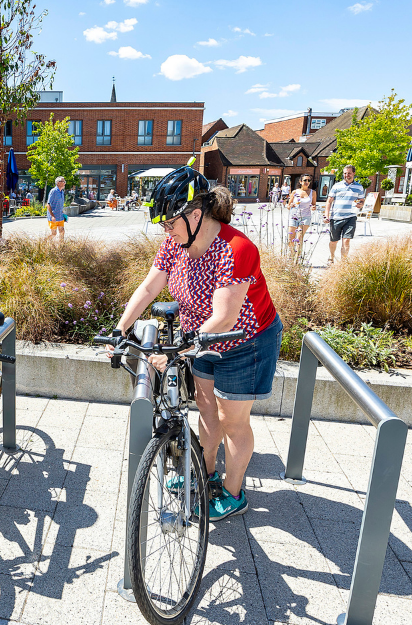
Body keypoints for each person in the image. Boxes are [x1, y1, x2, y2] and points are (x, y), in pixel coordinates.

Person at [111, 166, 281, 521]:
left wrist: (172, 351)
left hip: (245, 342)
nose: (166, 230)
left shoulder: (236, 249)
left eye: (170, 223)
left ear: (195, 214)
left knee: (232, 421)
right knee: (206, 410)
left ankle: (234, 494)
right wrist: (121, 328)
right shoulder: (175, 244)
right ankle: (203, 473)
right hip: (198, 339)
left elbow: (224, 318)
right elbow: (148, 287)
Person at [324, 164, 365, 264]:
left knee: (346, 240)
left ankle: (343, 263)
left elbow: (362, 200)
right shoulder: (337, 186)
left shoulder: (359, 187)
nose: (347, 175)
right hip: (336, 217)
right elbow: (329, 201)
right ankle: (331, 257)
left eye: (349, 173)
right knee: (333, 241)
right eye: (345, 173)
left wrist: (361, 204)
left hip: (350, 217)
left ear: (354, 173)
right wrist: (326, 215)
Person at [287, 175, 316, 259]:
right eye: (305, 180)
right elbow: (288, 206)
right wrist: (291, 205)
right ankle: (291, 256)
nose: (307, 182)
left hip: (305, 217)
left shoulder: (312, 192)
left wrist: (313, 207)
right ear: (300, 182)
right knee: (291, 238)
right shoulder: (295, 192)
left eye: (309, 180)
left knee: (299, 238)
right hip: (294, 216)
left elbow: (314, 205)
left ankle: (297, 258)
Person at [45, 176, 66, 242]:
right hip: (53, 217)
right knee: (54, 234)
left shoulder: (62, 192)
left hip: (60, 216)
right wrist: (52, 216)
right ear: (58, 183)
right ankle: (44, 242)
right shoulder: (53, 191)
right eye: (63, 181)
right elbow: (48, 204)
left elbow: (59, 204)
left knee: (62, 232)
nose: (65, 183)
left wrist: (63, 214)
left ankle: (61, 247)